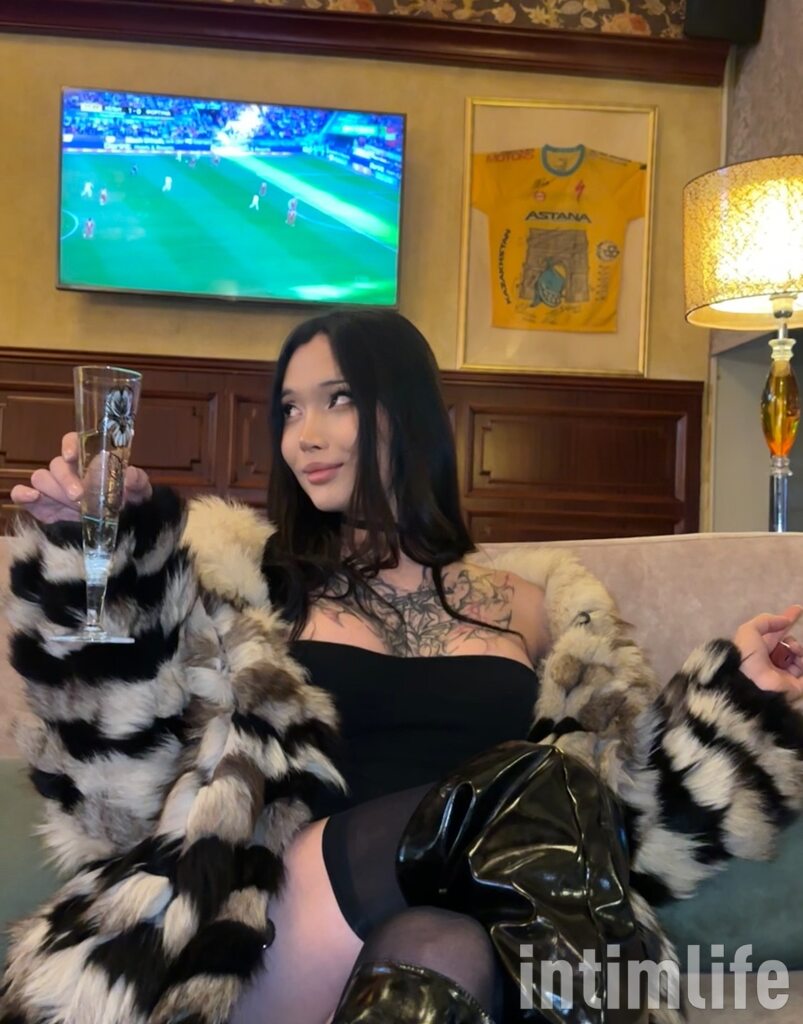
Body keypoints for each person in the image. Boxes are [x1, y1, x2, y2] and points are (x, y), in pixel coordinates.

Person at [3, 311, 803, 1024]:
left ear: (408, 413)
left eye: (337, 399)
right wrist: (100, 559)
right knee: (529, 793)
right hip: (262, 931)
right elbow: (115, 781)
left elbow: (620, 830)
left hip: (460, 949)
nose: (304, 435)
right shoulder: (247, 590)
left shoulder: (538, 609)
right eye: (290, 410)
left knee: (443, 936)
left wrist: (741, 697)